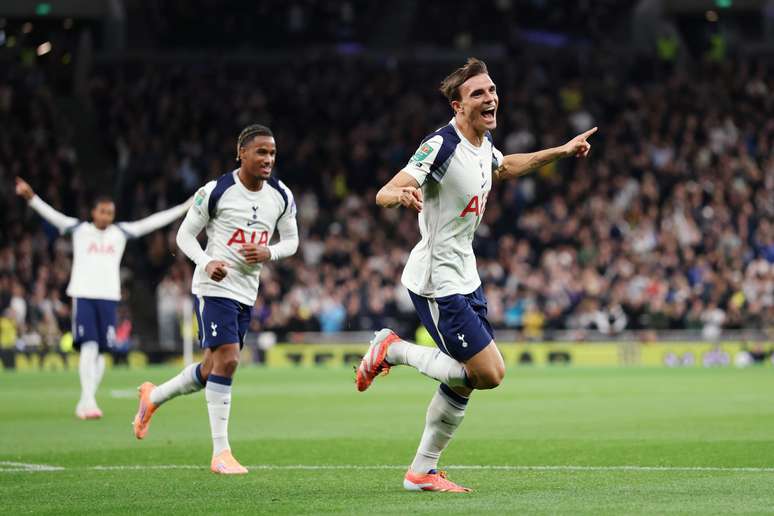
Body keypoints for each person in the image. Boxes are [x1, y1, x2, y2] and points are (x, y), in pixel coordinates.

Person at [357, 58, 597, 492]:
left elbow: (506, 167)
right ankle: (392, 349)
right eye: (478, 94)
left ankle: (421, 472)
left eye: (491, 90)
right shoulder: (441, 146)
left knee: (467, 380)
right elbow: (383, 192)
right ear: (457, 106)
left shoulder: (484, 145)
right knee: (489, 373)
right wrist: (401, 194)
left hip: (466, 276)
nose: (490, 98)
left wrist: (560, 151)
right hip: (436, 281)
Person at [132, 124, 299, 475]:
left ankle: (153, 397)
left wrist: (269, 252)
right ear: (241, 153)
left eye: (272, 153)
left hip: (245, 292)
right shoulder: (216, 190)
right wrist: (207, 262)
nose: (268, 159)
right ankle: (221, 453)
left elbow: (292, 242)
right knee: (230, 360)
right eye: (261, 152)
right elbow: (184, 236)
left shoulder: (281, 195)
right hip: (213, 288)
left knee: (212, 369)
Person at [14, 178, 191, 419]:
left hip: (108, 297)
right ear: (93, 212)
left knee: (101, 351)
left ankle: (86, 400)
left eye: (110, 212)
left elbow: (150, 223)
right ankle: (88, 400)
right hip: (84, 295)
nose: (107, 216)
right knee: (89, 346)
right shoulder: (79, 230)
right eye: (103, 211)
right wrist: (31, 197)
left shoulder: (120, 233)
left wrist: (182, 208)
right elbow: (52, 215)